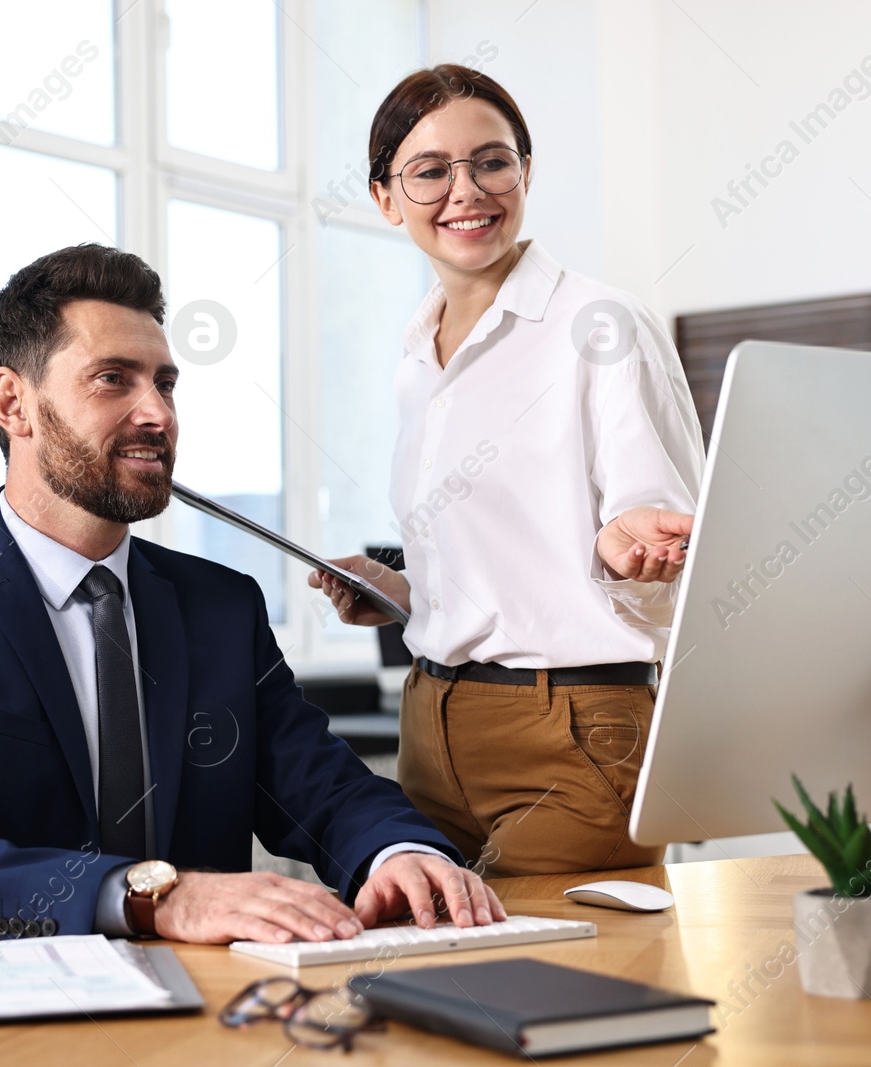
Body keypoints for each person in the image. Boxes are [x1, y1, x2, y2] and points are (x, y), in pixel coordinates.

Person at [0, 243, 504, 945]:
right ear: (12, 403)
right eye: (113, 379)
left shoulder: (220, 606)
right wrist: (152, 896)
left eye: (165, 384)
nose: (158, 414)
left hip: (209, 1014)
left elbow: (322, 785)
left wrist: (399, 852)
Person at [310, 66, 704, 878]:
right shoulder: (417, 356)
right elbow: (505, 566)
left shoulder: (602, 323)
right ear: (386, 197)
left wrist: (630, 552)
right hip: (431, 728)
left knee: (565, 973)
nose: (467, 190)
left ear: (526, 172)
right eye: (430, 171)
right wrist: (400, 589)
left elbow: (664, 555)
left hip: (575, 726)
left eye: (492, 161)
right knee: (440, 972)